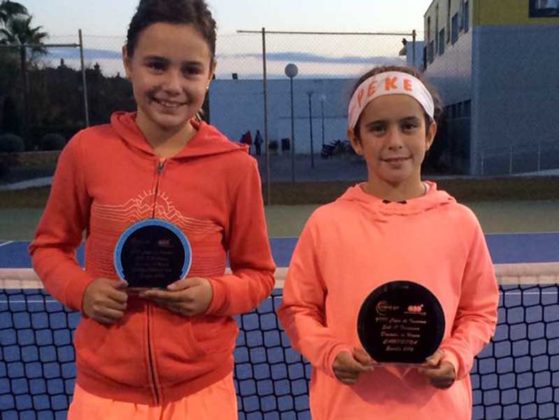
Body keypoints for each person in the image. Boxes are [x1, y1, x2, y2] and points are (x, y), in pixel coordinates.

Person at [29, 0, 275, 418]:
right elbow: (49, 247)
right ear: (128, 62)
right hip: (104, 395)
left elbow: (260, 275)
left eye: (191, 70)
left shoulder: (236, 167)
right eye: (156, 65)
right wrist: (83, 291)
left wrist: (214, 294)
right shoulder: (86, 151)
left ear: (211, 71)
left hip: (203, 393)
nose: (173, 85)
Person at [277, 65, 499, 420]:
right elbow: (297, 309)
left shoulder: (461, 223)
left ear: (429, 134)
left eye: (408, 125)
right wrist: (331, 353)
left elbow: (479, 312)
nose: (395, 141)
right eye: (378, 128)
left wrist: (456, 356)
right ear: (356, 139)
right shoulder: (326, 223)